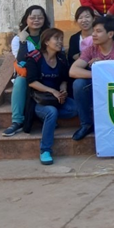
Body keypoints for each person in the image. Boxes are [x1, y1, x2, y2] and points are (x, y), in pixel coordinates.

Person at [69, 17, 114, 140]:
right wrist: (98, 73)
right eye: (93, 31)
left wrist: (102, 65)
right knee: (78, 84)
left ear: (110, 34)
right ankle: (86, 124)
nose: (93, 34)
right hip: (97, 87)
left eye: (98, 31)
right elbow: (73, 70)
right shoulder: (90, 50)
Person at [25, 28, 76, 165]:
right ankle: (45, 150)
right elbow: (31, 81)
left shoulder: (61, 58)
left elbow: (64, 79)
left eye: (61, 39)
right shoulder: (35, 57)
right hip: (39, 100)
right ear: (47, 41)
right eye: (56, 39)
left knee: (75, 108)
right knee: (51, 112)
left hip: (56, 99)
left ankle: (49, 120)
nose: (60, 42)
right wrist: (51, 91)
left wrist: (62, 90)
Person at [2, 5, 51, 137]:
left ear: (44, 20)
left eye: (40, 17)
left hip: (47, 72)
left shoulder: (49, 36)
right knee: (19, 82)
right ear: (26, 20)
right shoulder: (18, 39)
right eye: (32, 17)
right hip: (28, 74)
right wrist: (23, 42)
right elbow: (21, 61)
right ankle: (17, 121)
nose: (36, 20)